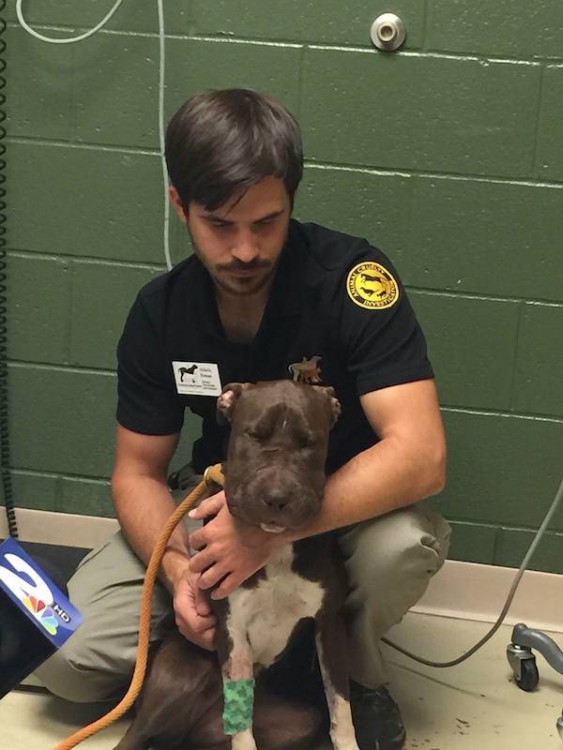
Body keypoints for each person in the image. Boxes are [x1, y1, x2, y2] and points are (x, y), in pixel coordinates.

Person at [37, 88, 451, 750]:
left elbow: (422, 453)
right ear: (179, 205)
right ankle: (228, 675)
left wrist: (270, 530)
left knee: (402, 547)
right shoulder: (160, 312)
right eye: (220, 225)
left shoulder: (351, 280)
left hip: (337, 511)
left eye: (266, 222)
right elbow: (136, 475)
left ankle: (355, 676)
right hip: (216, 507)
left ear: (291, 200)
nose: (244, 250)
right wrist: (179, 574)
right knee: (69, 658)